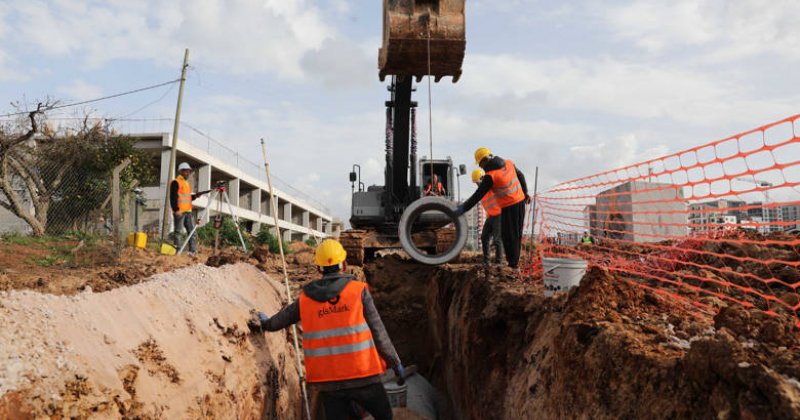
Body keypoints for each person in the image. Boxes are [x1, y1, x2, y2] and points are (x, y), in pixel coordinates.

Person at [248, 239, 404, 420]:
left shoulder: (306, 299)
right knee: (385, 416)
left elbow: (280, 321)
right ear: (344, 265)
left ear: (319, 269)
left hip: (329, 384)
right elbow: (379, 332)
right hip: (363, 377)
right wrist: (394, 362)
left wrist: (265, 323)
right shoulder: (357, 291)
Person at [457, 148, 530, 270]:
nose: (481, 167)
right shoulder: (508, 163)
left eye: (480, 164)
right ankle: (513, 264)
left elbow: (476, 196)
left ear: (485, 160)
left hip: (508, 207)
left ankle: (513, 265)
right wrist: (525, 192)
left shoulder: (490, 176)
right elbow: (520, 175)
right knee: (512, 235)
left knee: (509, 236)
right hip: (519, 202)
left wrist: (462, 209)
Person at [169, 162, 209, 254]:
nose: (188, 173)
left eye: (189, 171)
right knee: (178, 232)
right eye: (186, 171)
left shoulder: (187, 183)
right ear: (181, 171)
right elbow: (173, 197)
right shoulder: (176, 182)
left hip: (188, 211)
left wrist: (195, 196)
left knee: (192, 232)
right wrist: (176, 209)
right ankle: (177, 251)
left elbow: (187, 198)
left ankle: (192, 251)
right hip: (180, 211)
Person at [472, 169, 503, 266]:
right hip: (490, 217)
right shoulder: (481, 192)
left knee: (497, 239)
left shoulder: (491, 187)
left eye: (477, 182)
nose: (477, 184)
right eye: (475, 183)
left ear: (482, 179)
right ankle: (486, 261)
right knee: (484, 237)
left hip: (499, 215)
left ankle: (499, 262)